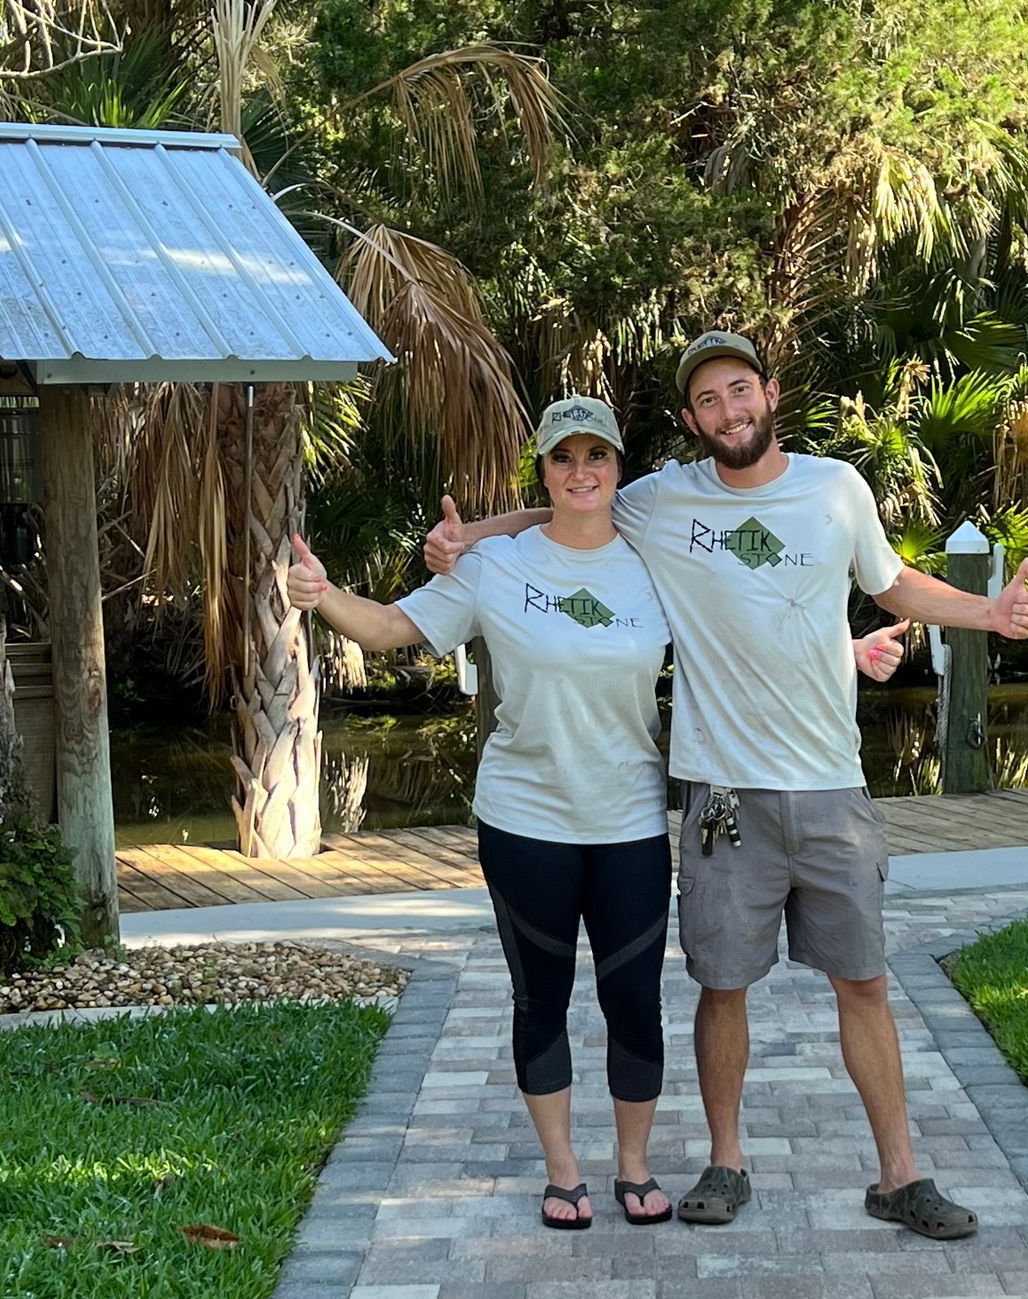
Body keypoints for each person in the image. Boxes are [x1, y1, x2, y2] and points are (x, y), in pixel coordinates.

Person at [425, 329, 1028, 1240]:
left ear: (770, 393)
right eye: (708, 401)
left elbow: (893, 581)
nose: (728, 411)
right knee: (722, 985)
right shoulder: (663, 499)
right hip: (720, 795)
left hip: (832, 783)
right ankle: (726, 1162)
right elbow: (568, 511)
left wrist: (985, 613)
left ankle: (900, 1177)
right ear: (690, 420)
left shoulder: (837, 488)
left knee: (864, 981)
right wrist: (469, 535)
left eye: (739, 391)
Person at [287, 391, 905, 1232]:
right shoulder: (497, 567)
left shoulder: (652, 562)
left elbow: (744, 624)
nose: (582, 472)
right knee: (539, 1000)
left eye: (598, 457)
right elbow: (393, 626)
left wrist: (849, 649)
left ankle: (635, 1167)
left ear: (619, 468)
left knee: (634, 1001)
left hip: (629, 822)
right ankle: (563, 1170)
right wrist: (322, 596)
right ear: (542, 471)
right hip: (523, 819)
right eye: (564, 458)